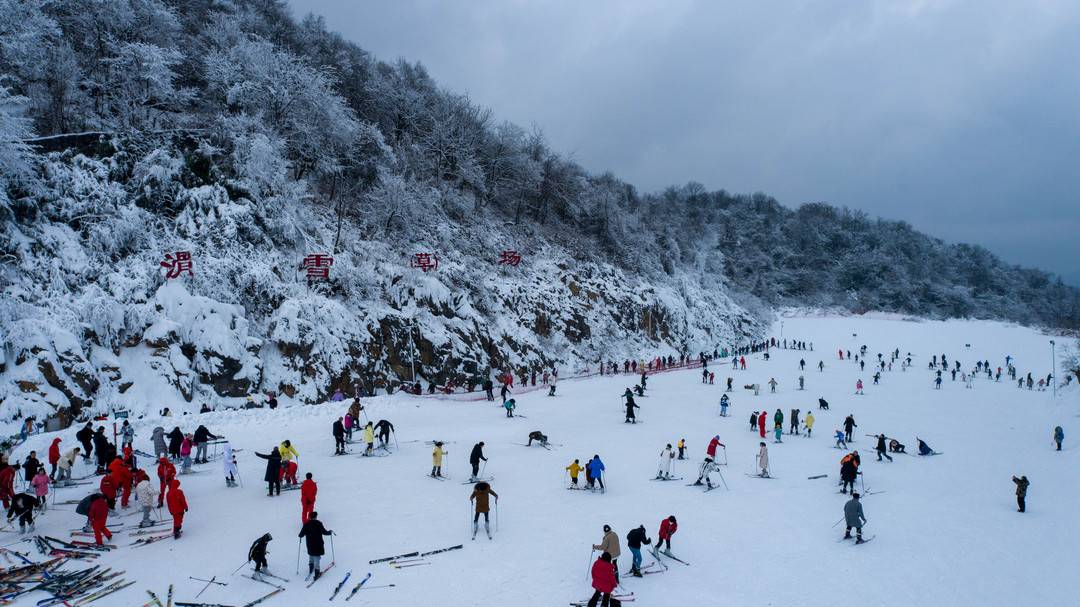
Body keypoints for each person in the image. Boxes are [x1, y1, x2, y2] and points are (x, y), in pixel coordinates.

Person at [298, 511, 333, 580]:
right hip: (318, 543)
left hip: (310, 544)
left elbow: (301, 534)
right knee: (317, 557)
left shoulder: (306, 524)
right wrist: (330, 532)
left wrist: (301, 536)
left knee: (311, 554)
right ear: (316, 517)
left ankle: (311, 568)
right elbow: (324, 532)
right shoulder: (318, 523)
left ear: (310, 517)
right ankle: (317, 573)